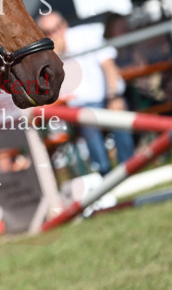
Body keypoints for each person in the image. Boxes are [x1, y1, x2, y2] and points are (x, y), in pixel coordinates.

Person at [37, 12, 135, 175]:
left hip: (106, 96)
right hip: (78, 108)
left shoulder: (87, 35)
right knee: (86, 123)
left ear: (64, 26)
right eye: (46, 32)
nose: (52, 35)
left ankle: (128, 169)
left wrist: (114, 97)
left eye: (55, 29)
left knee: (117, 115)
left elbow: (109, 66)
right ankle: (106, 175)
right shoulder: (45, 54)